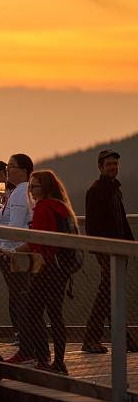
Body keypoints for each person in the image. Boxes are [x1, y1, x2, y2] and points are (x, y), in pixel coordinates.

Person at [6, 170, 78, 374]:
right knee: (55, 314)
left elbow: (36, 241)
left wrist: (13, 252)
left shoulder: (43, 208)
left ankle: (42, 358)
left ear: (44, 188)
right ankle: (59, 362)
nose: (30, 190)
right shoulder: (62, 207)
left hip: (46, 268)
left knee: (32, 312)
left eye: (33, 186)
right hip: (61, 268)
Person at [82, 150, 138, 353]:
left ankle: (121, 339)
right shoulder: (96, 191)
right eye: (109, 165)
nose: (113, 167)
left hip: (118, 249)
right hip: (107, 251)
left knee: (112, 295)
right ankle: (91, 339)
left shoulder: (114, 189)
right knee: (107, 294)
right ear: (100, 167)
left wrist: (130, 245)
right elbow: (92, 226)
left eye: (115, 164)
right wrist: (103, 250)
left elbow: (121, 220)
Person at [0, 154, 34, 347]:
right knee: (19, 294)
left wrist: (1, 248)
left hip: (13, 253)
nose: (8, 169)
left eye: (12, 166)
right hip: (13, 252)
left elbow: (15, 228)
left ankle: (24, 336)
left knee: (19, 294)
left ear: (25, 170)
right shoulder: (18, 192)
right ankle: (23, 335)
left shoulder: (20, 193)